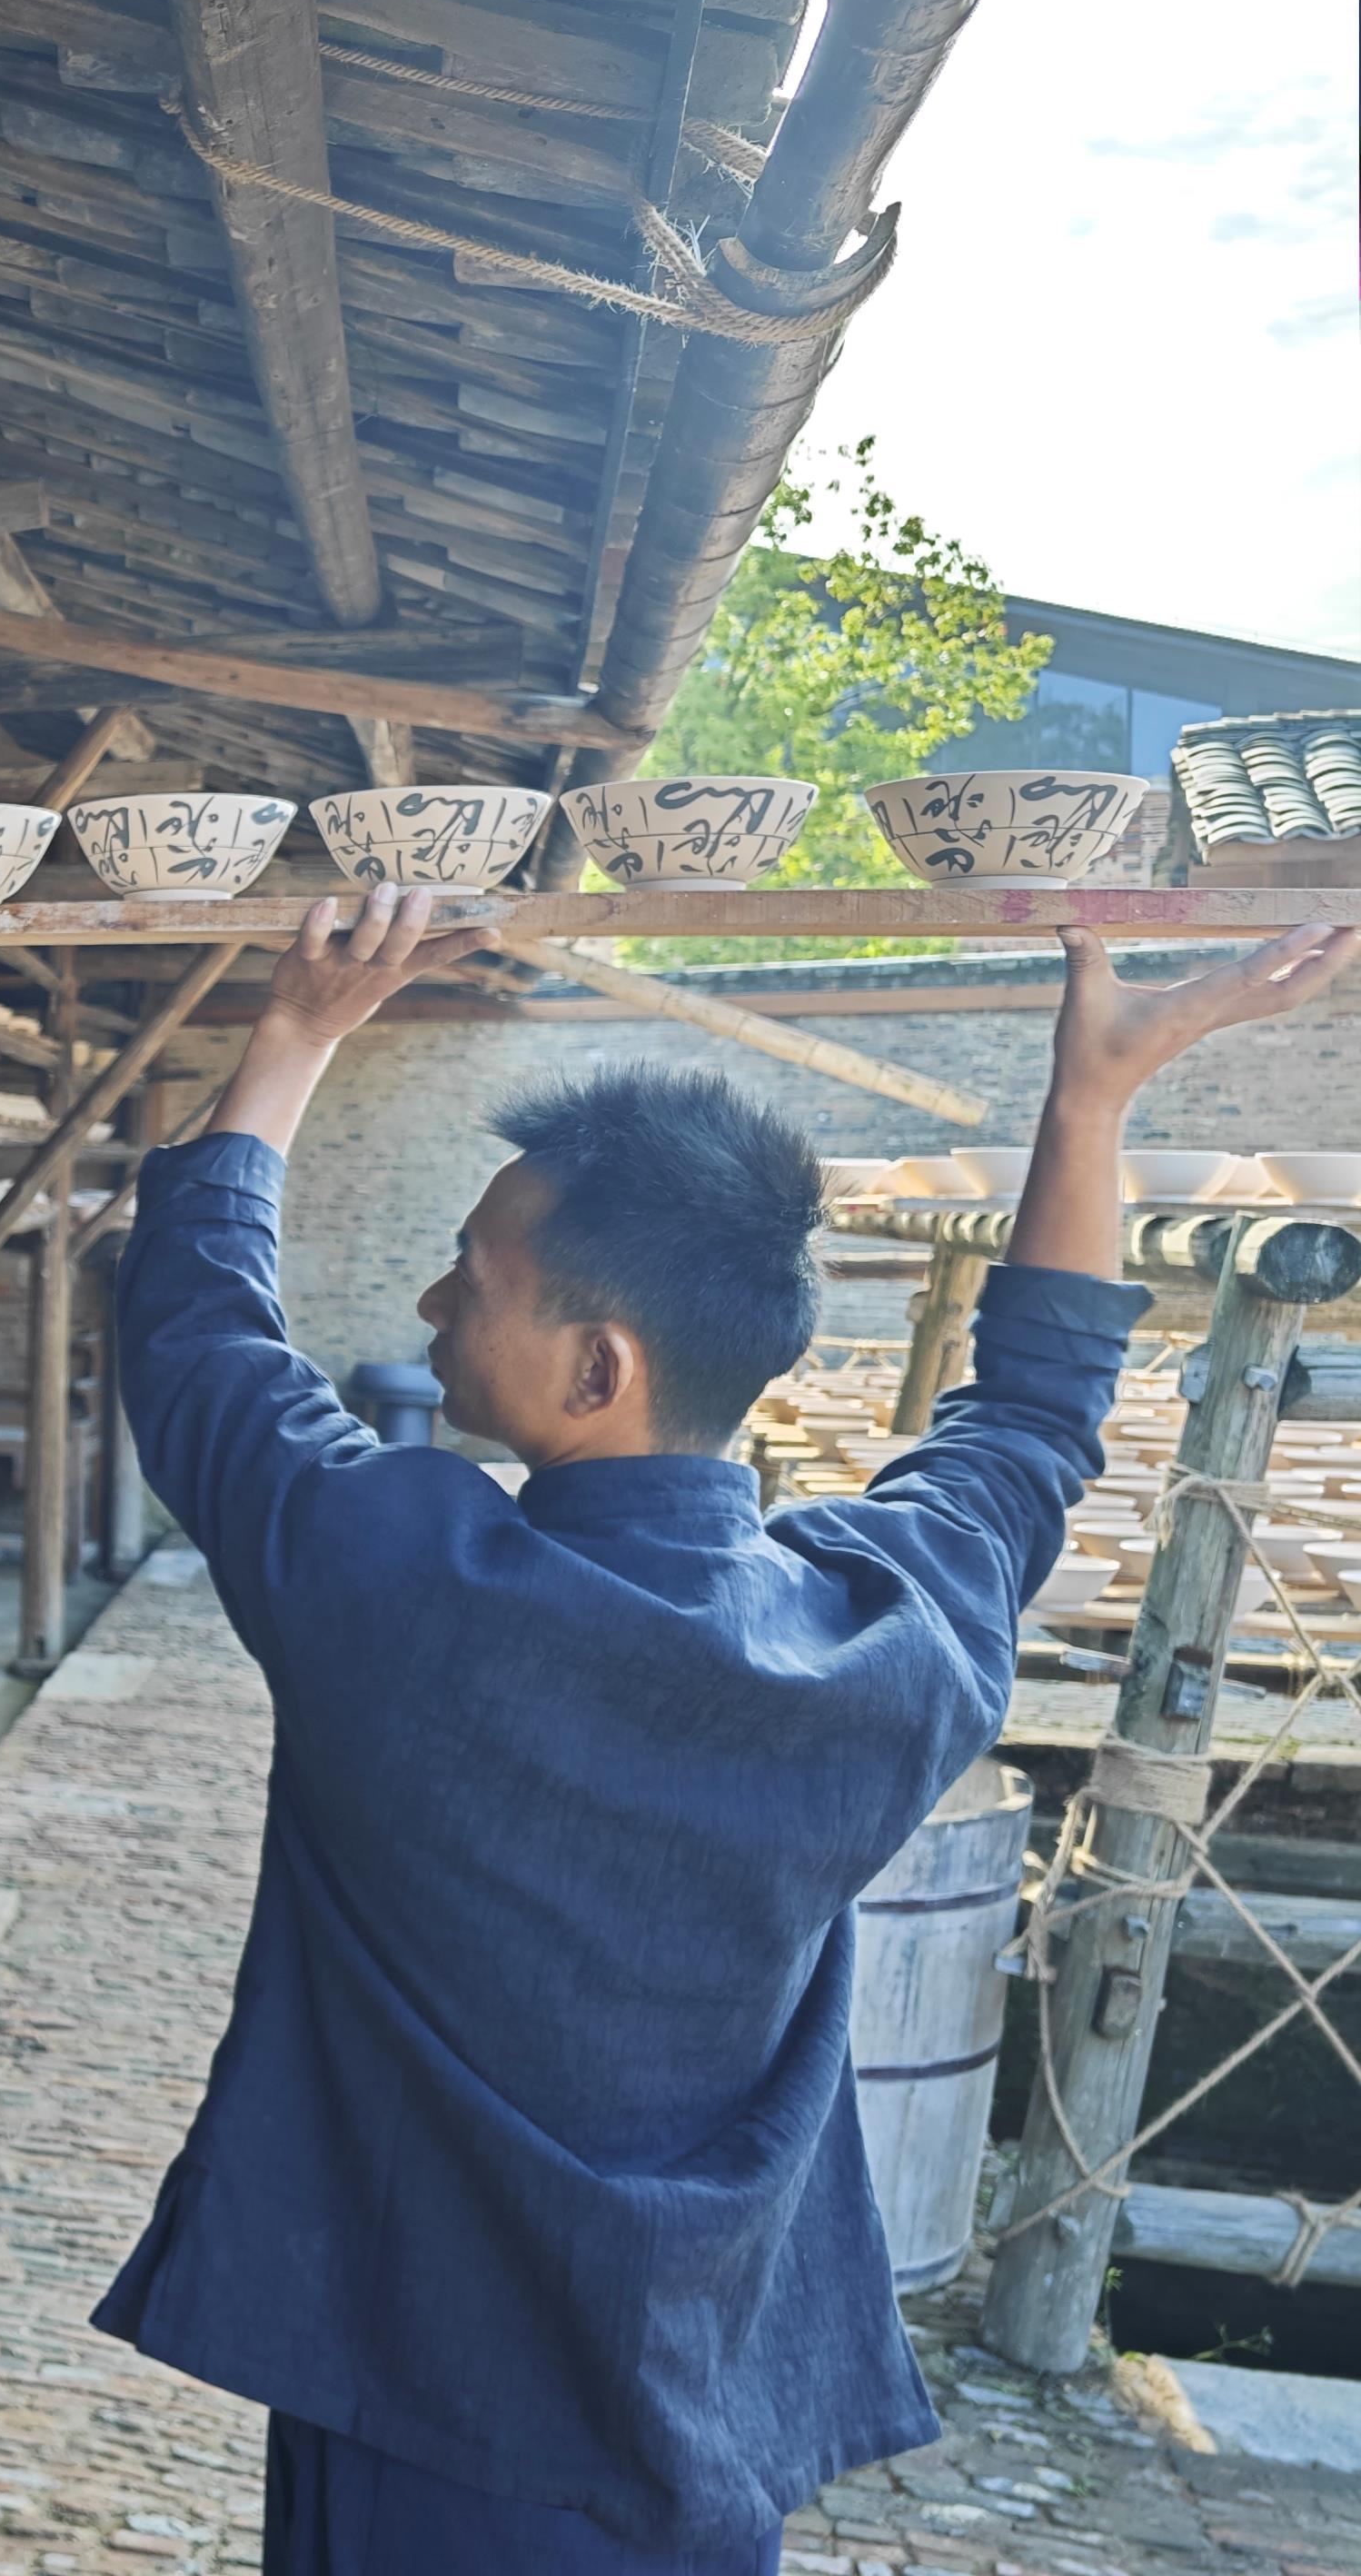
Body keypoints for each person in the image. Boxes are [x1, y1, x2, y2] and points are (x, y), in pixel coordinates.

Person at [94, 887, 1358, 2575]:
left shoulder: (397, 1581)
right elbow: (1032, 1425)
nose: (426, 1302)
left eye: (470, 1278)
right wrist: (1091, 1103)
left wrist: (293, 1037)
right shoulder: (875, 1634)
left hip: (420, 2399)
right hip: (707, 2419)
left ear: (598, 1362)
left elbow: (193, 1334)